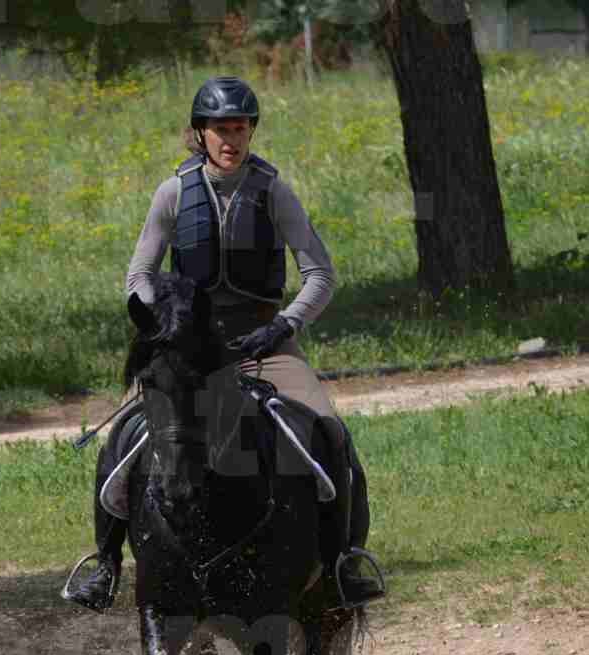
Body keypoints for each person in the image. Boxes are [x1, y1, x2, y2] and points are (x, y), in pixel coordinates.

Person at [63, 75, 384, 613]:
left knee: (329, 433)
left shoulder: (275, 192)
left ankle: (343, 562)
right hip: (192, 349)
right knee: (123, 440)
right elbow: (139, 273)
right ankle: (105, 565)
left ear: (251, 130)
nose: (230, 140)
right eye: (219, 130)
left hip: (268, 345)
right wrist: (157, 324)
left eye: (239, 128)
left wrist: (283, 326)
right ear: (200, 133)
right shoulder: (172, 192)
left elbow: (321, 274)